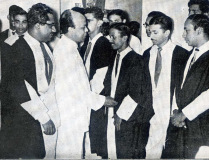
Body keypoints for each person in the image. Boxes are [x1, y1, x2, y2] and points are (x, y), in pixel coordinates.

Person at [162, 14, 209, 159]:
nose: (183, 35)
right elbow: (181, 87)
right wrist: (177, 111)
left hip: (207, 128)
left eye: (186, 30)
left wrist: (184, 115)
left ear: (199, 30)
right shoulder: (189, 55)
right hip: (186, 126)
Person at [53, 9, 117, 159]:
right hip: (70, 116)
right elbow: (75, 90)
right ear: (70, 29)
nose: (86, 30)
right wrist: (102, 100)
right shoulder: (66, 52)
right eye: (82, 27)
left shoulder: (71, 48)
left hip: (74, 114)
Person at [0, 3, 60, 158]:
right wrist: (43, 117)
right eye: (51, 25)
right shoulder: (16, 49)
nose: (54, 30)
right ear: (38, 25)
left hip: (43, 117)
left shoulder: (44, 46)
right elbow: (19, 88)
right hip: (24, 122)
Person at [99, 23, 153, 159]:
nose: (110, 40)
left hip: (128, 117)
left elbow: (137, 92)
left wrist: (121, 115)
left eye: (113, 37)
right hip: (113, 113)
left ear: (124, 38)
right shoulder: (115, 57)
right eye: (109, 36)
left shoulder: (136, 60)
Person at [142, 14, 188, 159]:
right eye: (150, 32)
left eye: (155, 32)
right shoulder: (147, 53)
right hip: (150, 109)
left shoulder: (181, 54)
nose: (151, 36)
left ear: (167, 33)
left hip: (169, 109)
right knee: (150, 148)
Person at [84, 7, 116, 157]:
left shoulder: (102, 43)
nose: (85, 24)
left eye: (89, 20)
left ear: (99, 22)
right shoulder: (86, 43)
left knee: (97, 145)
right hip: (89, 98)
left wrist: (87, 97)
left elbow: (100, 78)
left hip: (96, 99)